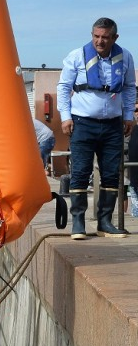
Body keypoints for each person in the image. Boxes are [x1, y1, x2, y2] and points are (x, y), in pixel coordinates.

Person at [57, 17, 136, 239]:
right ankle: (78, 223)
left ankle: (105, 222)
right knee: (81, 172)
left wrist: (128, 115)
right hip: (82, 122)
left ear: (115, 38)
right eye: (96, 36)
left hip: (112, 124)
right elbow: (63, 88)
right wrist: (65, 117)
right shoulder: (76, 56)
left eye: (105, 37)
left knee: (111, 173)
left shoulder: (126, 57)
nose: (100, 41)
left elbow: (129, 88)